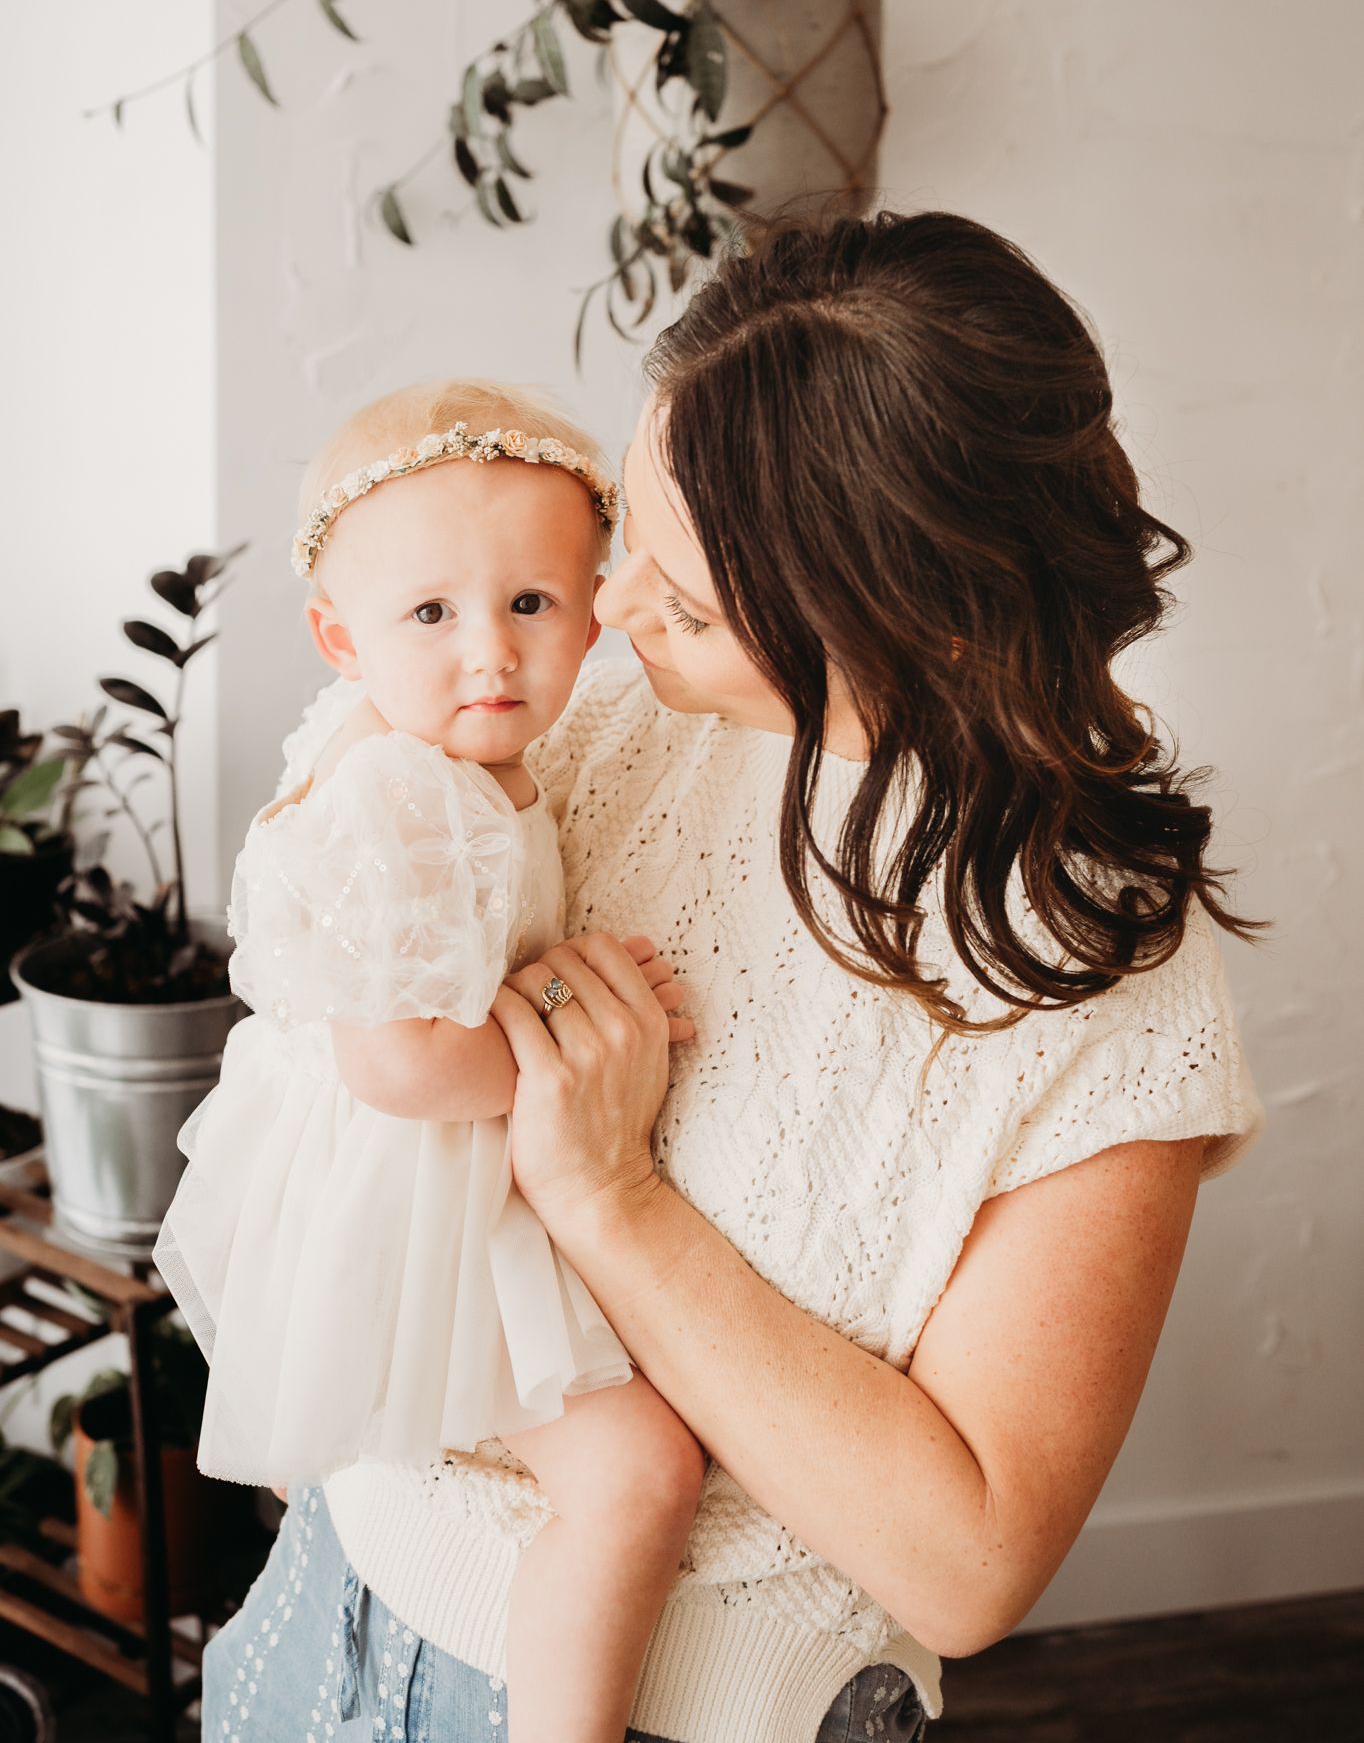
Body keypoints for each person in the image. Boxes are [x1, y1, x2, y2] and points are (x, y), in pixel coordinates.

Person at [201, 211, 1263, 1743]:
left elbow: (969, 1566)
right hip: (334, 1609)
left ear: (899, 613)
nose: (614, 611)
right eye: (628, 541)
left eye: (687, 602)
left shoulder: (1100, 984)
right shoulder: (597, 723)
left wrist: (610, 1196)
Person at [157, 381, 704, 1743]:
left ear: (593, 606)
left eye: (531, 603)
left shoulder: (444, 745)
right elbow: (403, 1066)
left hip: (414, 1160)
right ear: (341, 637)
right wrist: (581, 1017)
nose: (490, 654)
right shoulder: (402, 794)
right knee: (636, 1476)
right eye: (431, 615)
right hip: (403, 1185)